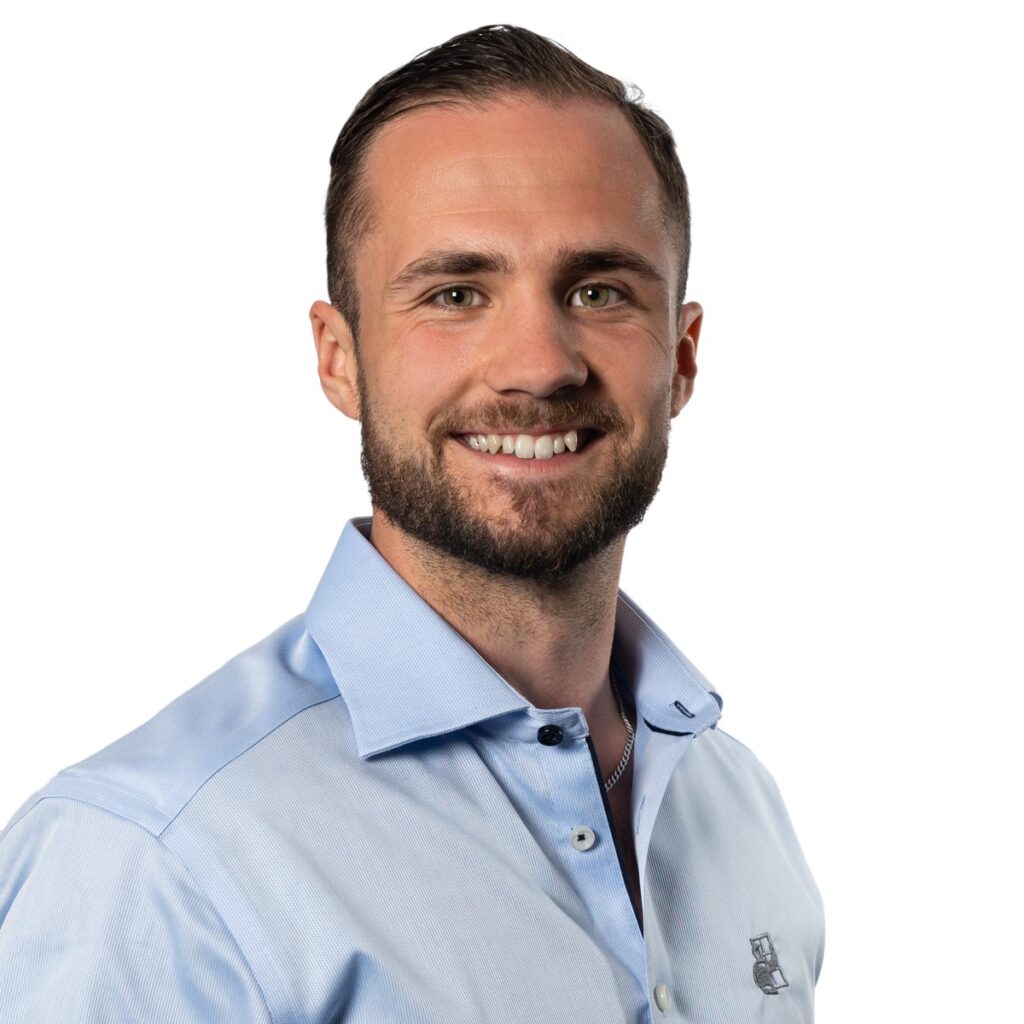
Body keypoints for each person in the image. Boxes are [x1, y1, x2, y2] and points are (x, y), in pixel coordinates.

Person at [0, 24, 824, 1023]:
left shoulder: (737, 807)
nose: (539, 365)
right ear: (339, 358)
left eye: (598, 290)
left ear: (682, 356)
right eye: (456, 293)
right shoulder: (154, 866)